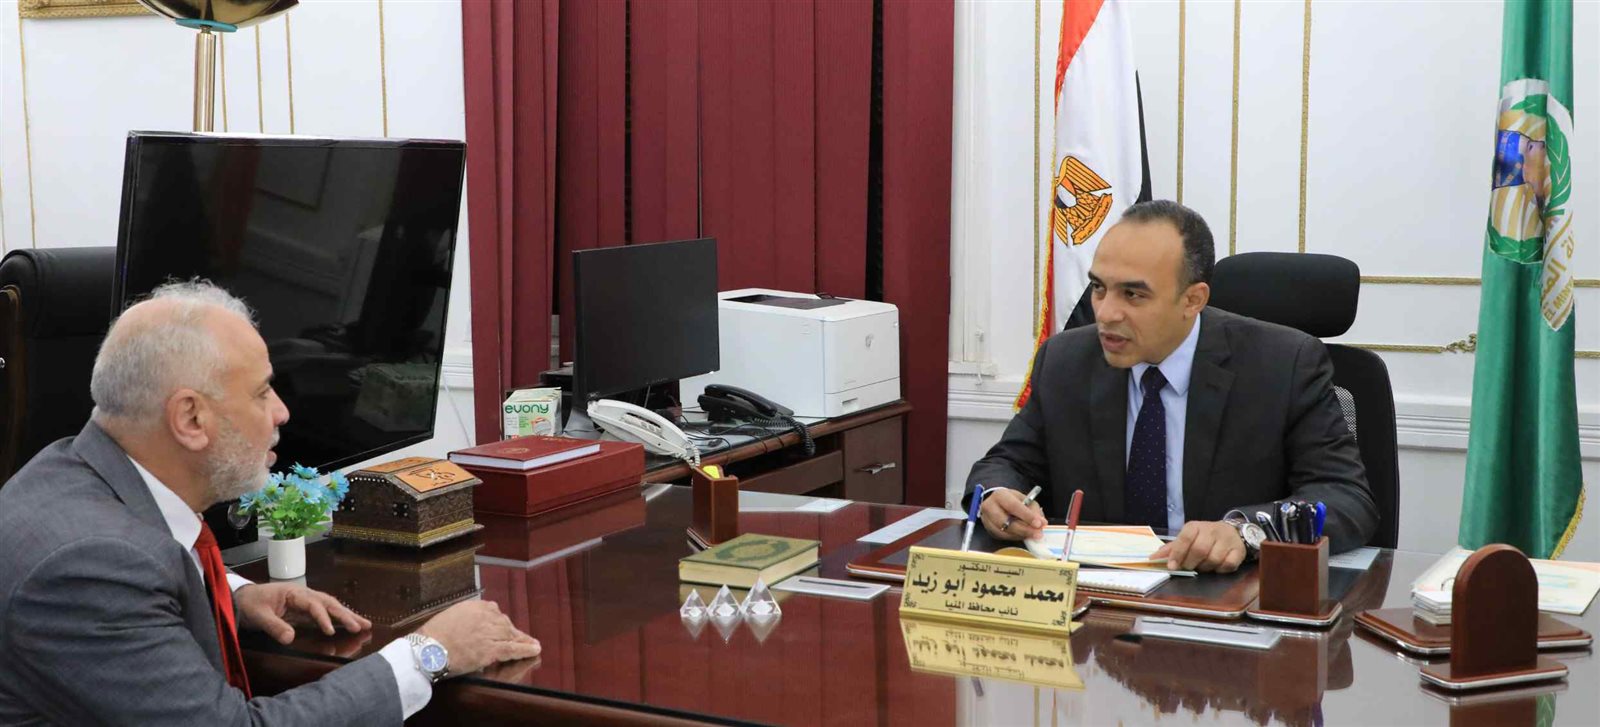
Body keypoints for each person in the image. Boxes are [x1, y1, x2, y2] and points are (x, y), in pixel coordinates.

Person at [0, 281, 541, 725]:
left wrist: (229, 597)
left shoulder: (72, 468)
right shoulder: (88, 566)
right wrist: (428, 653)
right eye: (261, 393)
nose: (281, 412)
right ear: (190, 418)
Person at [967, 200, 1377, 573]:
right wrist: (998, 495)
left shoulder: (1283, 365)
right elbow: (1007, 463)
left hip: (1227, 599)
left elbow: (1346, 499)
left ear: (1193, 300)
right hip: (1101, 597)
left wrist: (1245, 532)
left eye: (1133, 294)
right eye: (1099, 288)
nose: (1106, 313)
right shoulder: (1065, 361)